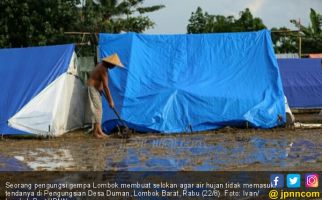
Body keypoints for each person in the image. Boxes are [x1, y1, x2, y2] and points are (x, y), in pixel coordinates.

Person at [86, 53, 124, 138]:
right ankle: (96, 133)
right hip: (92, 88)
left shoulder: (101, 65)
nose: (114, 67)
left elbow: (98, 79)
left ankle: (99, 130)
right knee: (98, 109)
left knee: (99, 109)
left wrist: (100, 87)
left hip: (95, 87)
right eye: (114, 65)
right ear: (110, 63)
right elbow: (106, 86)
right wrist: (111, 101)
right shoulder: (103, 69)